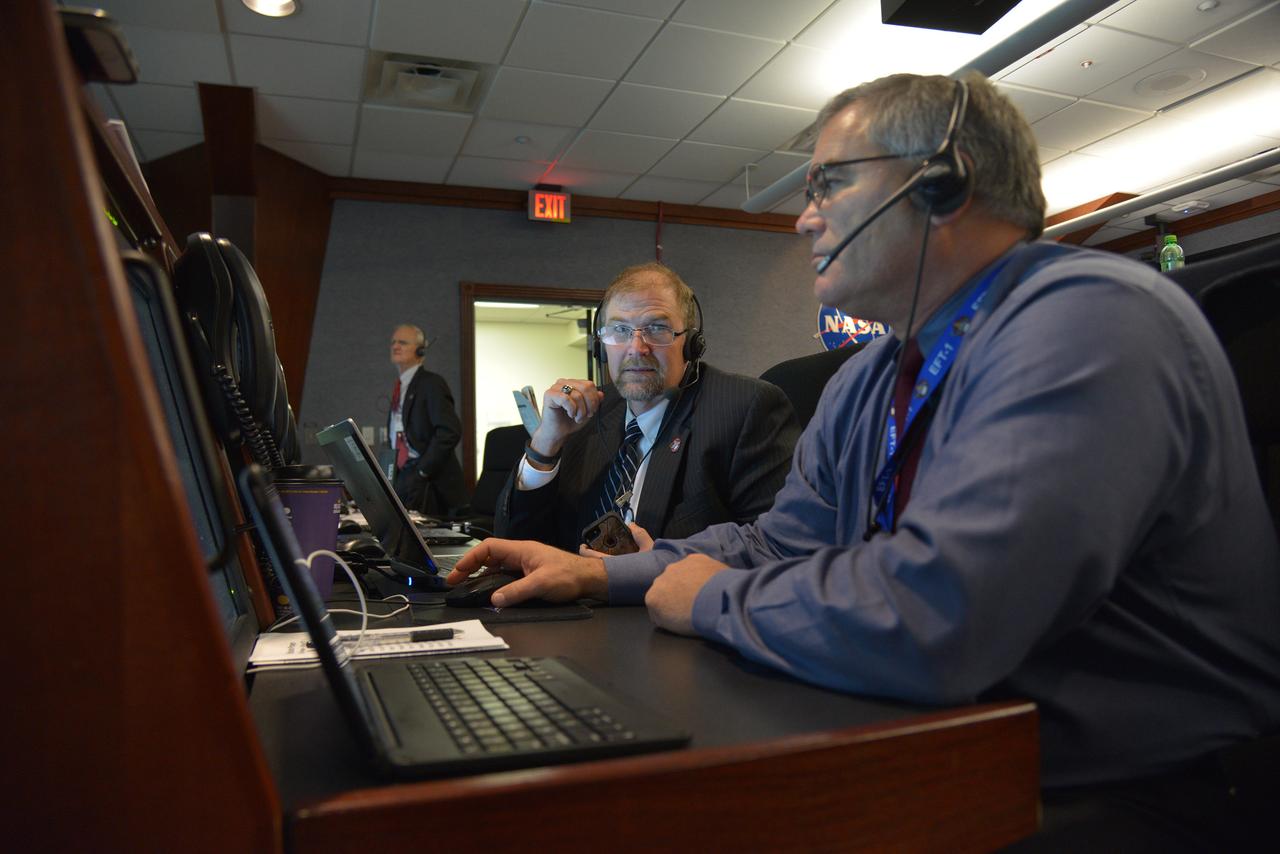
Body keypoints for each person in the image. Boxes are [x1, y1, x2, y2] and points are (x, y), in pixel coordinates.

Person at [453, 72, 1280, 848]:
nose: (802, 218)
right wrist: (594, 576)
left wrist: (715, 602)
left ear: (944, 184)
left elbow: (941, 615)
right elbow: (779, 542)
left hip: (1142, 793)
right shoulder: (869, 376)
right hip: (955, 742)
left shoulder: (1090, 323)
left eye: (828, 184)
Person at [495, 262, 799, 552]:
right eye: (620, 330)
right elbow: (515, 543)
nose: (637, 348)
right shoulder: (587, 414)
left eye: (656, 328)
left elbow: (776, 546)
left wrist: (656, 566)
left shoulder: (745, 408)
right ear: (601, 345)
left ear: (691, 343)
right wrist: (546, 443)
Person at [387, 323, 467, 516]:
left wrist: (422, 471)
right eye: (393, 342)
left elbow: (450, 431)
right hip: (404, 474)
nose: (395, 346)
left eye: (403, 342)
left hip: (429, 481)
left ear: (421, 349)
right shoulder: (401, 387)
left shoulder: (431, 383)